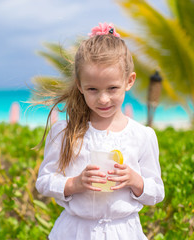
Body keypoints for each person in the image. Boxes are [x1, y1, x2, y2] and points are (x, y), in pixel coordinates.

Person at [35, 23, 164, 239]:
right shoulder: (65, 131)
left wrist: (135, 180)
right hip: (75, 231)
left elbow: (157, 192)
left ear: (129, 81)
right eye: (92, 89)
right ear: (79, 85)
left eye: (112, 88)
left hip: (124, 232)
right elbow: (44, 181)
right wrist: (73, 184)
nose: (103, 99)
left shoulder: (142, 136)